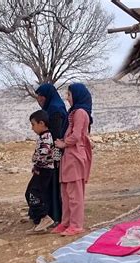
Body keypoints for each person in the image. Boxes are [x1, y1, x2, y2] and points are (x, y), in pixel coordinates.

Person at [52, 83, 93, 236]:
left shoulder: (80, 113)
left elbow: (76, 136)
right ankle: (66, 222)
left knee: (75, 194)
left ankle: (76, 225)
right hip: (68, 157)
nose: (67, 98)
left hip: (75, 156)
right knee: (66, 193)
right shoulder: (73, 113)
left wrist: (63, 143)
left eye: (69, 95)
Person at [35, 83, 68, 225]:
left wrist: (56, 158)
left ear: (46, 97)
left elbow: (56, 137)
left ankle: (56, 216)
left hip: (55, 155)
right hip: (52, 155)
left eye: (41, 98)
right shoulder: (52, 107)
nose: (39, 101)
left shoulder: (55, 110)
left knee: (54, 184)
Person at [25, 110, 57, 233]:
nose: (32, 128)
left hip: (43, 171)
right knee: (33, 193)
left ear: (41, 123)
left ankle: (44, 218)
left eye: (33, 124)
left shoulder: (46, 138)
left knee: (32, 193)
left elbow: (44, 155)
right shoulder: (44, 136)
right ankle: (40, 221)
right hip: (42, 170)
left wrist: (36, 163)